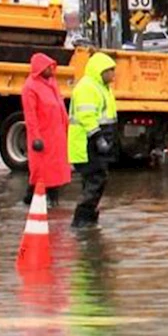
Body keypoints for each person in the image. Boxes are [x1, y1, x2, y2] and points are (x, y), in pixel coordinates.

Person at [68, 52, 117, 228]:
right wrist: (97, 137)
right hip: (87, 143)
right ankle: (82, 220)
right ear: (100, 71)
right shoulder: (88, 87)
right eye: (110, 70)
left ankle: (87, 218)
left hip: (94, 142)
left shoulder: (101, 87)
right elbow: (86, 115)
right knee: (96, 179)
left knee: (94, 180)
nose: (113, 74)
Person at [21, 53, 71, 207]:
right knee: (42, 171)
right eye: (48, 66)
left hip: (55, 135)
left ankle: (49, 198)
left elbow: (60, 107)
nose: (51, 69)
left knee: (54, 170)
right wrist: (36, 137)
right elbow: (31, 115)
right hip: (44, 135)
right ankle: (38, 198)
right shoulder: (30, 87)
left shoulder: (51, 83)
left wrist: (66, 127)